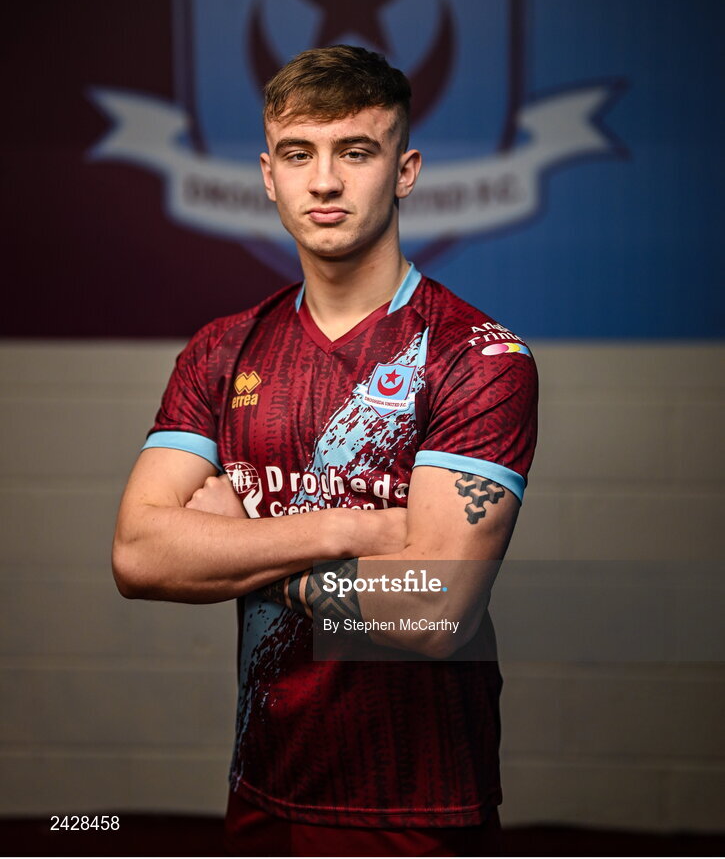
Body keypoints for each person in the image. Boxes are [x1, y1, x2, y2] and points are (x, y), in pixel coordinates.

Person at [113, 45, 538, 856]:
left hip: (418, 808)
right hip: (263, 788)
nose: (325, 181)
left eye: (356, 151)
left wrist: (237, 542)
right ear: (268, 174)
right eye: (299, 154)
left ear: (404, 170)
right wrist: (357, 529)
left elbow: (436, 607)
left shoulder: (476, 355)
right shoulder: (221, 350)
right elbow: (137, 556)